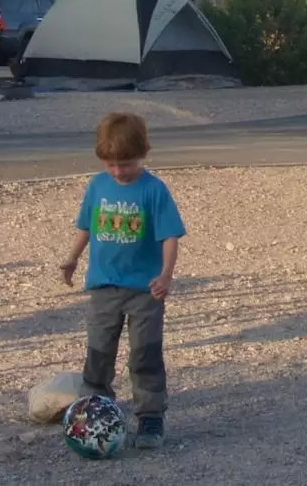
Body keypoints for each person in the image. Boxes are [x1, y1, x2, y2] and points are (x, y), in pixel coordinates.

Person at [59, 112, 186, 449]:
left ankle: (150, 417)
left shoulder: (154, 190)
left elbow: (170, 235)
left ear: (144, 153)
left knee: (144, 353)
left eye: (126, 164)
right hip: (103, 285)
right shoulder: (97, 186)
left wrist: (166, 275)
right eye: (111, 164)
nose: (118, 171)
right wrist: (72, 258)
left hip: (145, 290)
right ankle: (93, 410)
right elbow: (86, 225)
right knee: (99, 350)